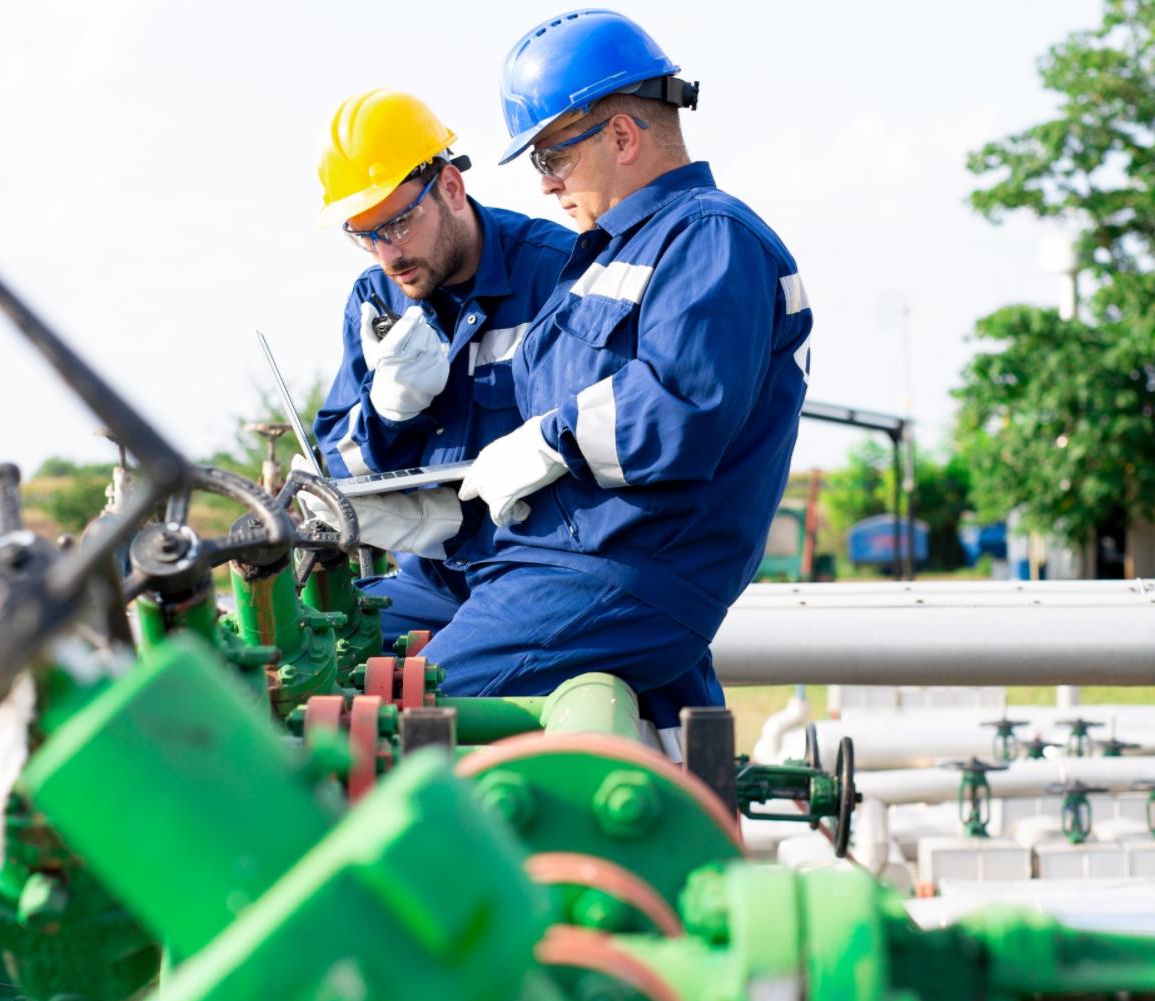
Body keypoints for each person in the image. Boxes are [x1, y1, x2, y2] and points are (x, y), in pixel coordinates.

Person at [431, 8, 814, 745]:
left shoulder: (710, 237)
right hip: (566, 562)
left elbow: (684, 403)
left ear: (622, 136)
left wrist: (548, 442)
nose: (544, 187)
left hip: (621, 573)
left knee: (403, 721)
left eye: (549, 158)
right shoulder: (609, 256)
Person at [310, 89, 571, 648]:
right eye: (366, 236)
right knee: (321, 652)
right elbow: (334, 462)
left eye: (400, 224)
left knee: (432, 688)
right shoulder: (376, 298)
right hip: (434, 579)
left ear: (451, 187)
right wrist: (387, 411)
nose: (388, 255)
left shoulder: (559, 275)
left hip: (538, 572)